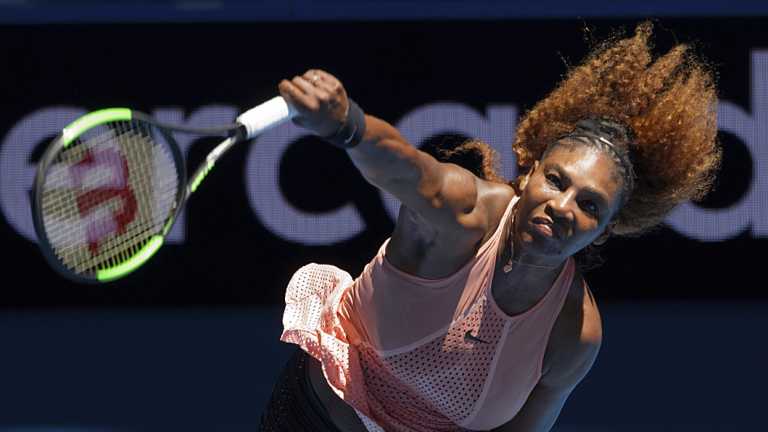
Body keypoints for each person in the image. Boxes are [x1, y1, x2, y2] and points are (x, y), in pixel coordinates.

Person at [259, 22, 720, 432]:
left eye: (589, 204)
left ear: (604, 230)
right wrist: (348, 126)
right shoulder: (465, 215)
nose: (561, 206)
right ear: (529, 172)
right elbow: (407, 171)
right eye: (556, 180)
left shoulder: (574, 334)